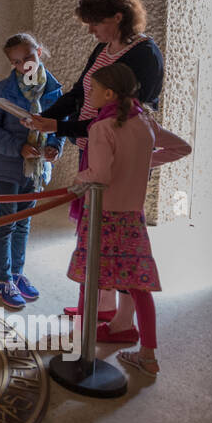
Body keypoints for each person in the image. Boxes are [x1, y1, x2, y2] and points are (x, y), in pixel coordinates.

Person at [23, 0, 164, 321]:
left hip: (118, 155)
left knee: (117, 240)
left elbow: (117, 119)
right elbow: (79, 94)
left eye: (95, 22)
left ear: (118, 17)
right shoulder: (105, 46)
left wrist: (59, 127)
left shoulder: (145, 55)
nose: (90, 29)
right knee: (96, 235)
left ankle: (123, 321)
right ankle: (101, 306)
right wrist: (50, 117)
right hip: (94, 144)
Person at [67, 63, 190, 377]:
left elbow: (101, 176)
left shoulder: (101, 127)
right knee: (139, 286)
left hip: (102, 216)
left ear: (108, 93)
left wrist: (79, 179)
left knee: (88, 281)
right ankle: (148, 355)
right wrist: (142, 161)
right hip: (132, 218)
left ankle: (80, 347)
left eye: (92, 89)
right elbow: (181, 147)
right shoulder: (144, 120)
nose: (89, 94)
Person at [0, 33, 64, 309]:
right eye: (16, 62)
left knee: (24, 222)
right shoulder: (3, 89)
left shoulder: (54, 89)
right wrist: (18, 147)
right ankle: (2, 279)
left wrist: (54, 147)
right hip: (8, 165)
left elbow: (59, 125)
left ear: (39, 52)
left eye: (28, 57)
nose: (23, 65)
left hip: (37, 169)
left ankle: (17, 273)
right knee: (6, 223)